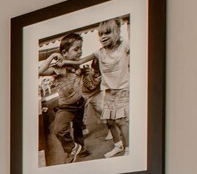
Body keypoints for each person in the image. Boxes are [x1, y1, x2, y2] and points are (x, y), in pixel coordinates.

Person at [40, 33, 91, 163]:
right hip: (66, 107)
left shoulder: (77, 64)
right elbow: (40, 71)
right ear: (64, 52)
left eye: (81, 48)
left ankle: (81, 149)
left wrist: (86, 74)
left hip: (80, 103)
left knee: (78, 128)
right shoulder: (59, 68)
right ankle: (72, 148)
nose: (80, 51)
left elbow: (84, 80)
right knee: (58, 130)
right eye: (76, 49)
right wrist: (52, 56)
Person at [92, 18, 131, 156]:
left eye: (107, 33)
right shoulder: (100, 52)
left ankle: (128, 149)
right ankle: (118, 145)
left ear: (117, 31)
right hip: (108, 91)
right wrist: (61, 59)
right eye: (100, 34)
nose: (103, 37)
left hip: (122, 89)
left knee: (121, 121)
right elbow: (79, 61)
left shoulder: (125, 46)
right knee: (109, 121)